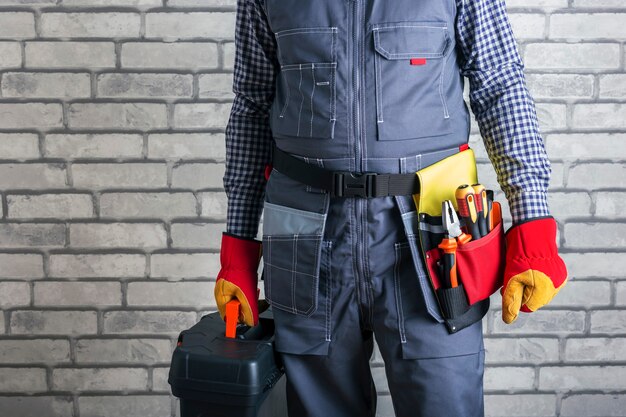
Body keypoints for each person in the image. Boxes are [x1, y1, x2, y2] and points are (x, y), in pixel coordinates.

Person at [213, 0, 568, 416]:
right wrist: (238, 247)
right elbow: (252, 105)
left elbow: (501, 87)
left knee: (445, 405)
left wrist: (532, 223)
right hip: (305, 244)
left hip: (434, 243)